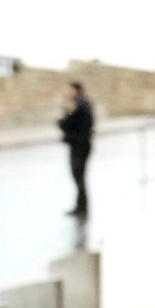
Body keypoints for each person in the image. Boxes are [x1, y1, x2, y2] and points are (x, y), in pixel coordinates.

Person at [59, 81, 95, 217]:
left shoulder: (78, 104)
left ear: (76, 90)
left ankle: (81, 207)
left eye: (69, 90)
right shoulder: (85, 103)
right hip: (82, 144)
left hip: (79, 146)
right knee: (80, 177)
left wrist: (61, 119)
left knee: (78, 176)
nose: (67, 92)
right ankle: (81, 206)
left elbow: (67, 123)